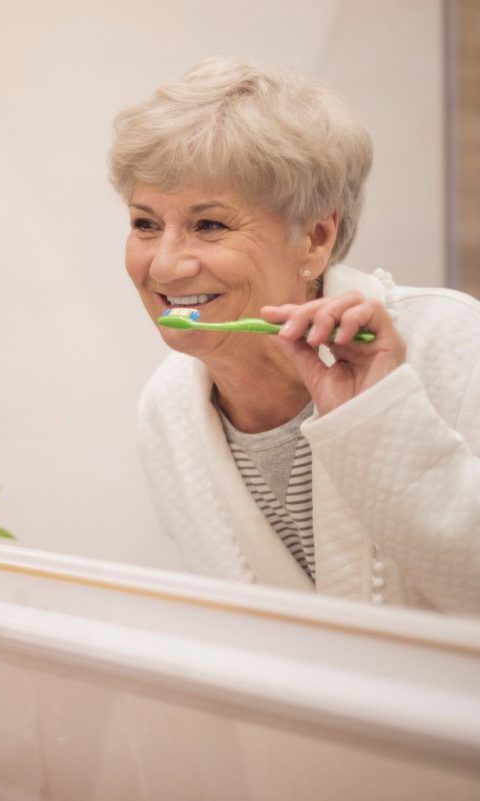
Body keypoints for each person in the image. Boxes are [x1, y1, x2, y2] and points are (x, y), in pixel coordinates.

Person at [108, 57, 480, 616]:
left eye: (210, 225)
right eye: (145, 224)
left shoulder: (450, 345)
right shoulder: (167, 410)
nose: (164, 266)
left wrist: (377, 421)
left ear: (315, 238)